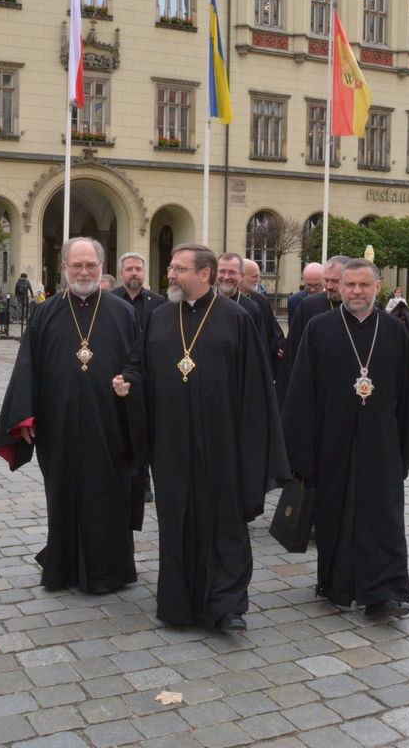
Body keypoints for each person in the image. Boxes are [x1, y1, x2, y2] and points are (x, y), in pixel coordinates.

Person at [113, 244, 290, 632]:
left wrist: (252, 448)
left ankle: (227, 606)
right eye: (172, 268)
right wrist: (129, 384)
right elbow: (137, 365)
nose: (171, 276)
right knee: (176, 522)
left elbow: (256, 388)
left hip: (222, 444)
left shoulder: (236, 319)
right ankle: (178, 604)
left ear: (204, 275)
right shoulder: (160, 317)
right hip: (171, 444)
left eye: (179, 269)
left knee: (224, 524)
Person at [282, 259, 409, 618]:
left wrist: (405, 449)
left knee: (384, 518)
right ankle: (335, 584)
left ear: (378, 288)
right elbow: (302, 391)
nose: (356, 292)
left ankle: (387, 593)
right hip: (331, 441)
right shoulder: (319, 328)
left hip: (381, 444)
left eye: (364, 285)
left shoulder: (395, 332)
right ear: (340, 287)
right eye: (350, 285)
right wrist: (301, 452)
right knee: (334, 515)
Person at [0, 237, 143, 594]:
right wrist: (25, 417)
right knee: (61, 493)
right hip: (56, 423)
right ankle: (62, 568)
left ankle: (110, 571)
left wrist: (131, 386)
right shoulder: (46, 312)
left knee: (108, 494)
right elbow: (27, 367)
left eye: (91, 265)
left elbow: (139, 364)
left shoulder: (123, 312)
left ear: (102, 267)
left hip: (110, 423)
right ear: (63, 268)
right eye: (76, 265)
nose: (83, 272)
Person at [111, 252, 164, 503]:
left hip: (149, 376)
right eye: (130, 269)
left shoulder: (159, 303)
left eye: (138, 269)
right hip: (117, 374)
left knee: (145, 429)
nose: (134, 273)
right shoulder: (109, 300)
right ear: (121, 273)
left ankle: (144, 482)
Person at [276, 255, 349, 406]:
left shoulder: (363, 307)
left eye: (335, 281)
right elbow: (292, 353)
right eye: (326, 280)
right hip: (315, 388)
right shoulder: (308, 306)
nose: (328, 286)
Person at [216, 253, 272, 371]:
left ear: (241, 276)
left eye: (232, 272)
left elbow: (259, 352)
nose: (226, 277)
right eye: (221, 271)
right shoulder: (205, 303)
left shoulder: (252, 308)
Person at [241, 258, 284, 376]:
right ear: (241, 276)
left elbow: (272, 330)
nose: (258, 280)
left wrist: (279, 346)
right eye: (255, 277)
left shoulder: (261, 301)